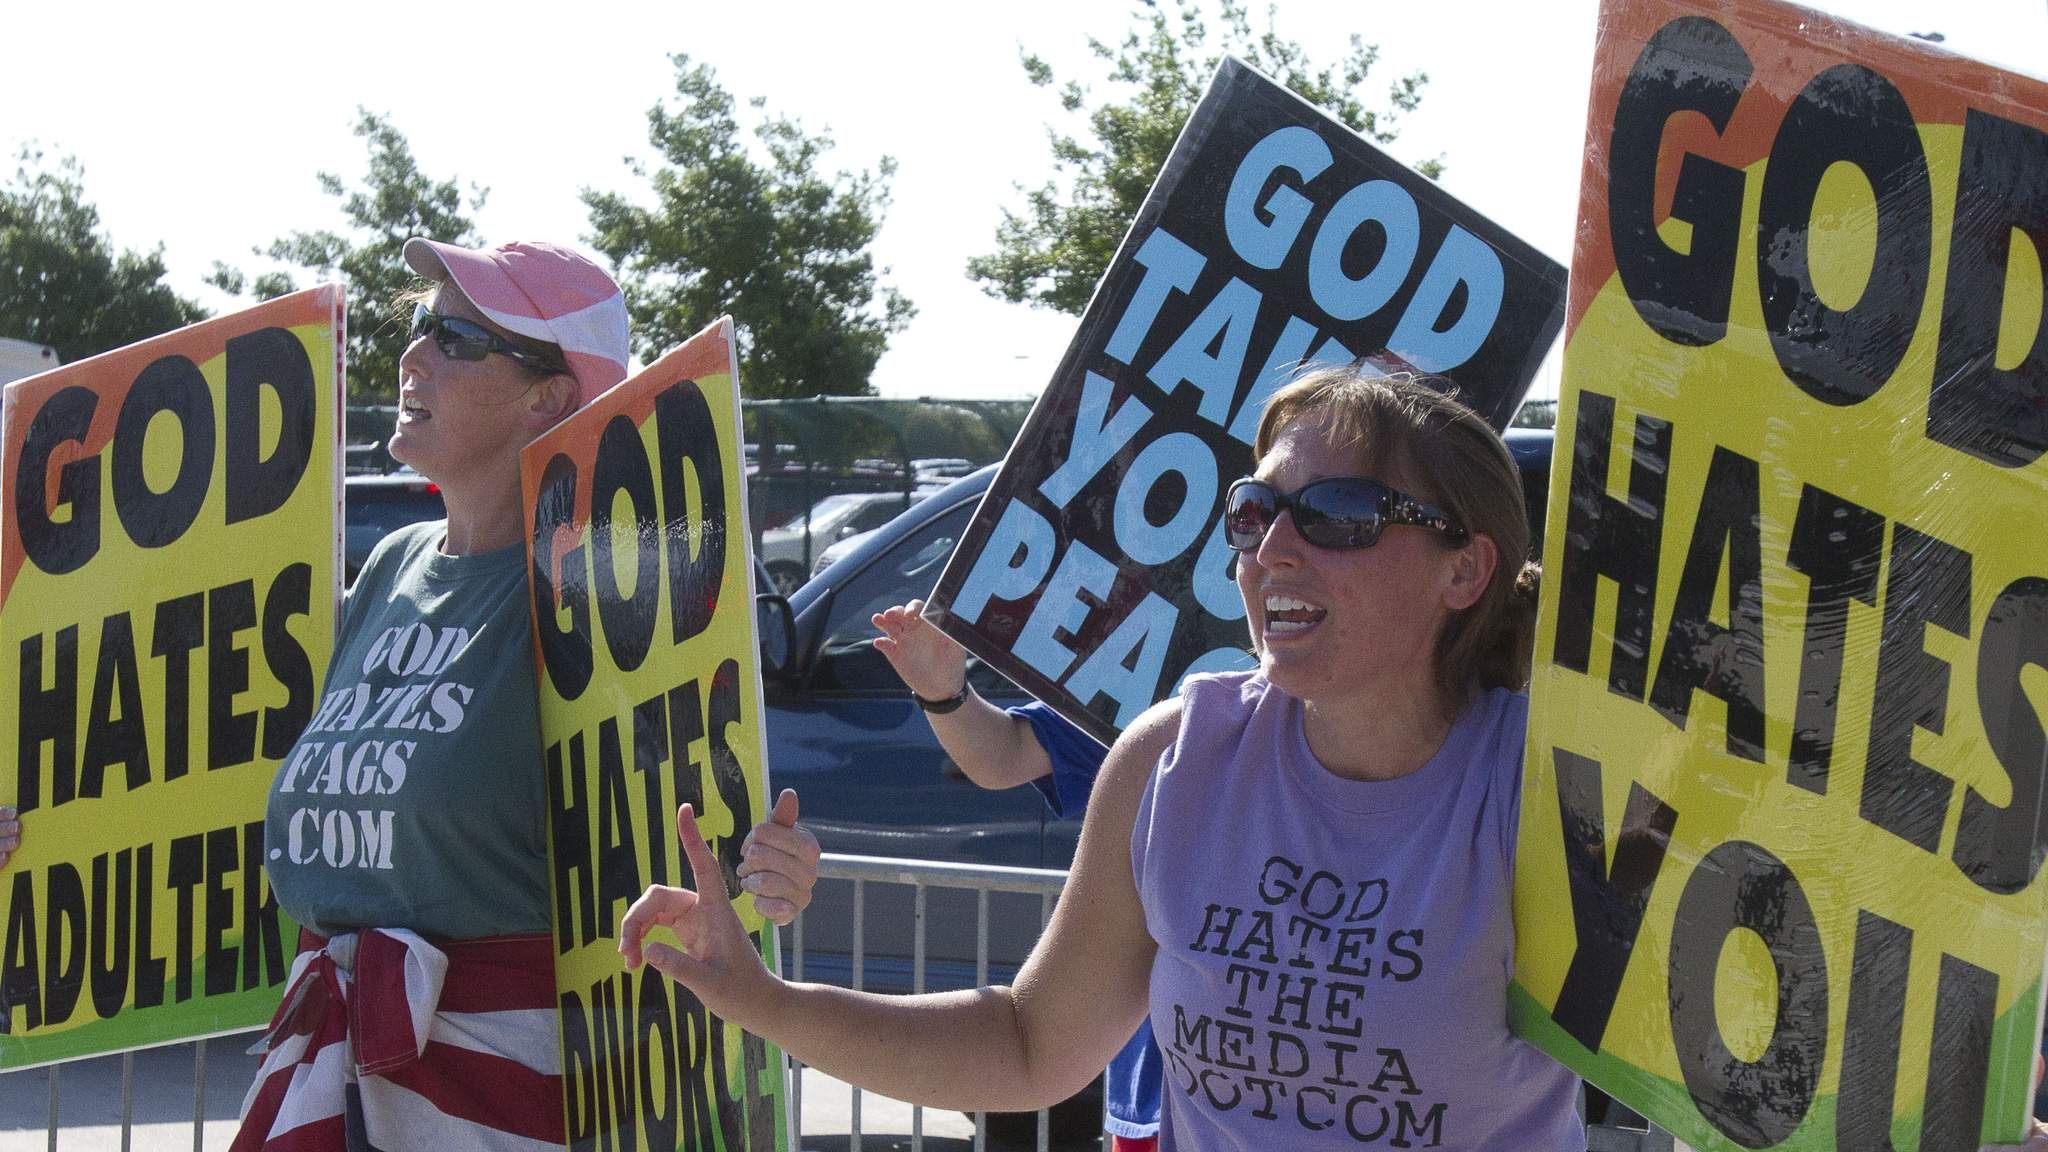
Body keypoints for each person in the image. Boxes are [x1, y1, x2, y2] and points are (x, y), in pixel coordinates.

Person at [619, 365, 1577, 1149]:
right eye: (1254, 511)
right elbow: (1030, 1043)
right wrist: (761, 999)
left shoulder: (1548, 791)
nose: (1272, 548)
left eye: (1337, 512)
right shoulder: (1175, 758)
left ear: (1466, 568)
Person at [226, 239, 820, 1151]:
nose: (413, 355)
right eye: (422, 325)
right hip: (335, 1084)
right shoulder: (389, 568)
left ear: (550, 396)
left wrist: (768, 870)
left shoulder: (597, 585)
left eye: (458, 338)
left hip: (509, 1101)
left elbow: (681, 828)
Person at [871, 600, 1161, 1150]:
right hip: (1158, 1104)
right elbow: (1003, 754)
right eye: (1249, 516)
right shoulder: (1165, 699)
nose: (1271, 550)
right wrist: (943, 692)